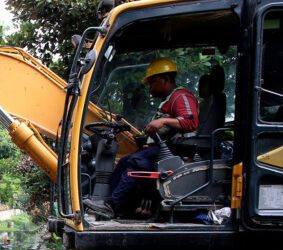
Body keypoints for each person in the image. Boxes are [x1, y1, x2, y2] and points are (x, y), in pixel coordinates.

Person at [85, 57, 199, 219]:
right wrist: (145, 138)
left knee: (137, 162)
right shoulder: (169, 100)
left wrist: (163, 121)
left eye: (152, 82)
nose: (150, 87)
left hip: (174, 150)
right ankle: (112, 204)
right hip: (162, 148)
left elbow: (191, 121)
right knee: (124, 161)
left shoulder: (181, 96)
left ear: (166, 79)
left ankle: (113, 204)